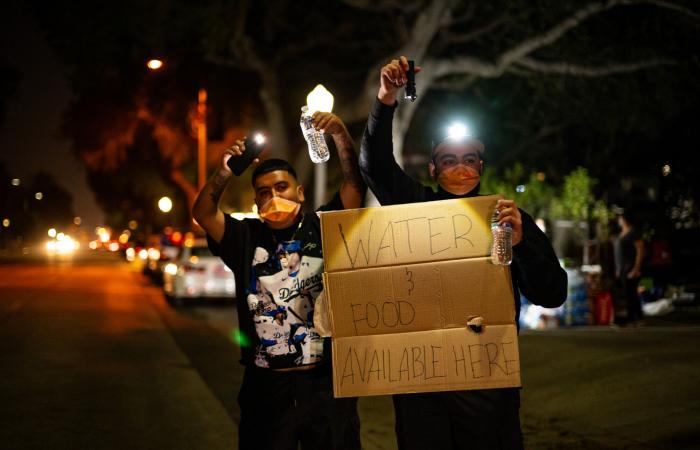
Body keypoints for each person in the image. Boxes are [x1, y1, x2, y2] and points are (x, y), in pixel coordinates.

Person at [359, 56, 568, 450]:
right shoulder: (414, 206)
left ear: (481, 167)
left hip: (487, 380)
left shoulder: (508, 218)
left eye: (469, 159)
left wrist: (522, 246)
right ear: (434, 170)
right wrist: (386, 99)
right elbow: (374, 166)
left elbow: (553, 293)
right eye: (449, 161)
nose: (460, 168)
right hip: (422, 383)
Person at [193, 112, 365, 450]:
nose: (274, 196)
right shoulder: (244, 237)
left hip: (325, 385)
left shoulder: (324, 226)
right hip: (266, 391)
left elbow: (355, 187)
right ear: (256, 203)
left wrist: (341, 136)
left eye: (281, 187)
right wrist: (224, 171)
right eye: (264, 192)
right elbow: (203, 213)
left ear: (300, 192)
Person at [614, 212, 645, 326]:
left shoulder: (634, 232)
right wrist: (618, 269)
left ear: (625, 219)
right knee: (628, 294)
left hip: (631, 267)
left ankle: (633, 318)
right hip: (622, 269)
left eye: (620, 218)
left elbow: (640, 250)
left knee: (632, 294)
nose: (619, 220)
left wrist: (636, 269)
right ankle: (636, 318)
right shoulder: (622, 233)